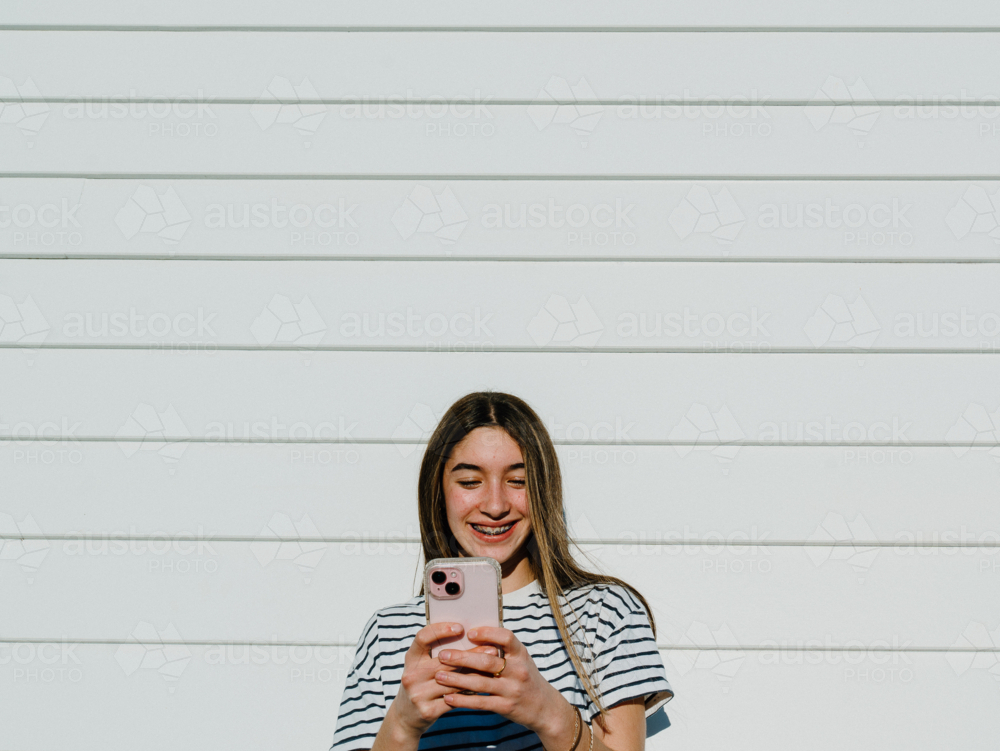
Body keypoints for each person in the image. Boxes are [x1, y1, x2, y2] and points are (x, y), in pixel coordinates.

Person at [331, 392, 673, 751]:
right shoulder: (387, 633)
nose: (495, 506)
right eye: (469, 482)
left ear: (543, 490)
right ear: (439, 492)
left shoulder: (604, 614)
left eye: (518, 481)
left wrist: (549, 713)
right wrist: (401, 725)